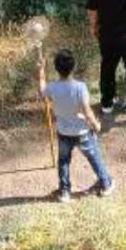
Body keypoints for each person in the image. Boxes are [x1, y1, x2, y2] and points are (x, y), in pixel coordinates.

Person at [36, 47, 113, 202]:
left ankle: (64, 191)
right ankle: (105, 184)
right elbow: (86, 111)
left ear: (57, 69)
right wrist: (96, 125)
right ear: (73, 66)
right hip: (82, 132)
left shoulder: (53, 87)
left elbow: (41, 90)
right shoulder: (80, 87)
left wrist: (41, 70)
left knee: (63, 161)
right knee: (94, 157)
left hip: (63, 132)